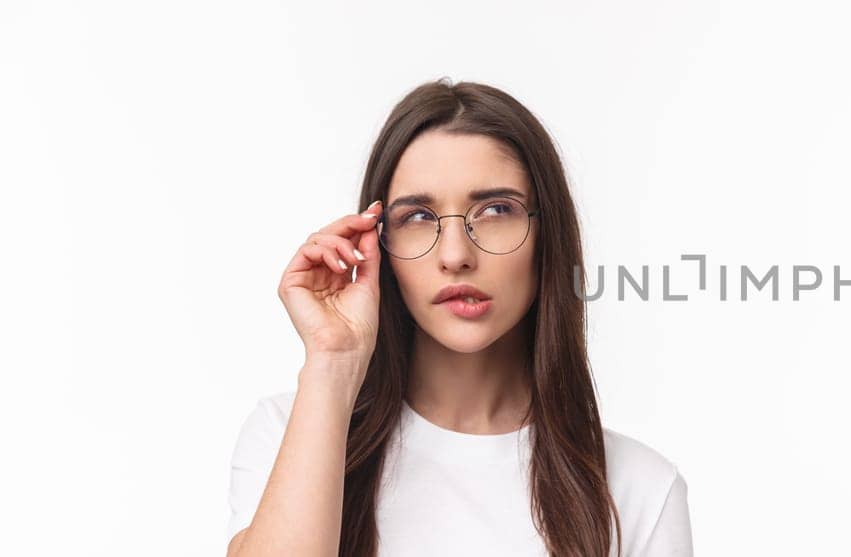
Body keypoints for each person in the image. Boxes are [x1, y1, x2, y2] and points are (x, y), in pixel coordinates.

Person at [224, 79, 692, 557]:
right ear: (376, 241)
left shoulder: (640, 489)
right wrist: (332, 362)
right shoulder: (291, 432)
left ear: (547, 235)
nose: (454, 255)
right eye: (419, 217)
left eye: (495, 210)